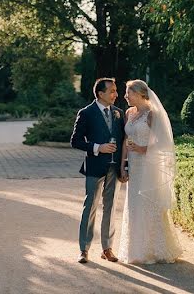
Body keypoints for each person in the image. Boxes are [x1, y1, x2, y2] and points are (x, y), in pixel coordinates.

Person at [117, 79, 182, 264]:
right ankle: (136, 249)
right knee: (134, 206)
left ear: (139, 94)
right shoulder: (129, 113)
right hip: (134, 167)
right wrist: (123, 165)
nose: (125, 96)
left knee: (148, 205)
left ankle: (154, 249)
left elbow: (162, 143)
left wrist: (142, 149)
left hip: (148, 165)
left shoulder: (153, 115)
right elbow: (125, 141)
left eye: (128, 93)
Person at [70, 77, 128, 264]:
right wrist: (97, 147)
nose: (116, 94)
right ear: (100, 93)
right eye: (112, 91)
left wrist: (124, 167)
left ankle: (107, 248)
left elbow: (124, 142)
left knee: (110, 208)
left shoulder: (119, 113)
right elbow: (75, 141)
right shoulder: (86, 113)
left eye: (116, 90)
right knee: (90, 207)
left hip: (114, 168)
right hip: (95, 167)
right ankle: (84, 249)